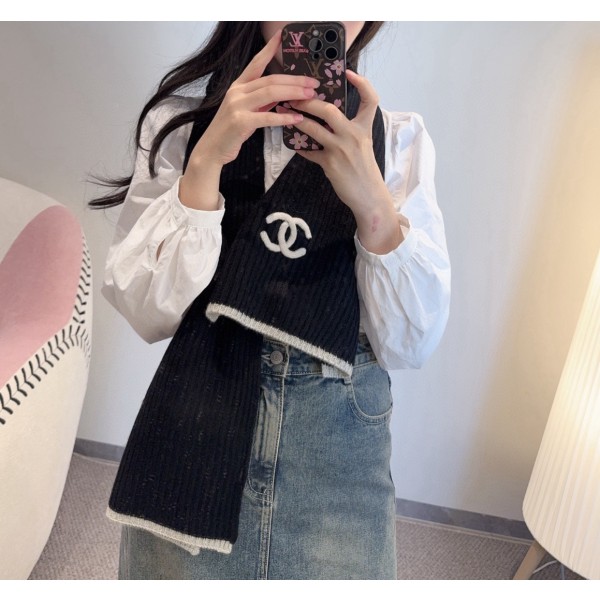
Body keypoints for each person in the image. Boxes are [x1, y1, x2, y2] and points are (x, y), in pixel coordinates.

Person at [89, 21, 451, 580]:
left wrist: (372, 203)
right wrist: (205, 165)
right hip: (199, 418)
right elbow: (145, 309)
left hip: (337, 443)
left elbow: (410, 344)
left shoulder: (398, 139)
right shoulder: (181, 126)